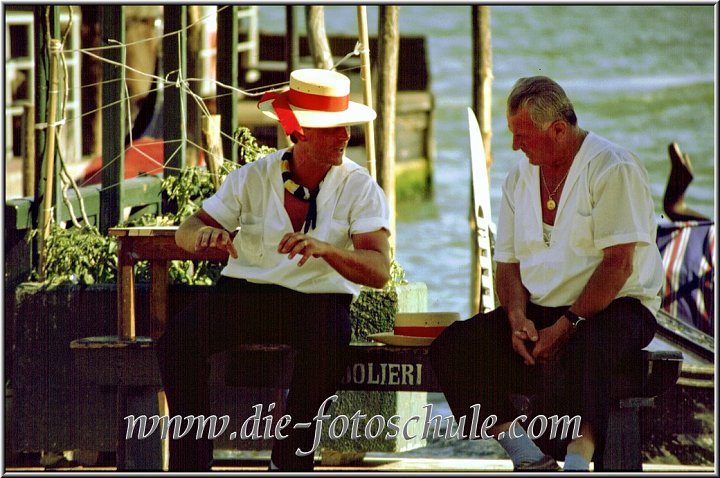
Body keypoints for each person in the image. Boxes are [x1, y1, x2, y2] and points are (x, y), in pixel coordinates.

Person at [157, 68, 391, 471]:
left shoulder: (360, 186)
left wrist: (326, 252)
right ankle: (191, 464)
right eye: (333, 128)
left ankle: (290, 463)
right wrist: (202, 239)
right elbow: (188, 229)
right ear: (298, 132)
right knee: (177, 342)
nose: (345, 137)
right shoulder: (253, 177)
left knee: (328, 347)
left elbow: (379, 270)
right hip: (246, 293)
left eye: (346, 127)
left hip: (320, 301)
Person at [429, 76, 663, 471]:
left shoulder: (612, 167)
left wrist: (567, 324)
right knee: (454, 347)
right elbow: (508, 263)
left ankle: (576, 460)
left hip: (617, 308)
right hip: (542, 310)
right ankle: (528, 457)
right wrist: (517, 318)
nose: (515, 146)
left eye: (523, 136)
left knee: (589, 350)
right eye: (512, 134)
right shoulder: (519, 177)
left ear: (558, 129)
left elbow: (618, 264)